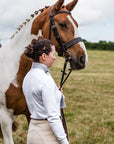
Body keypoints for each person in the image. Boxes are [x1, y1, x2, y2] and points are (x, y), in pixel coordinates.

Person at [22, 39, 69, 144]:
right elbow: (52, 116)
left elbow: (38, 99)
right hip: (46, 135)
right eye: (53, 54)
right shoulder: (45, 80)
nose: (55, 58)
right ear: (44, 56)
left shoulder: (28, 76)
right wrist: (64, 141)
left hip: (33, 131)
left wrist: (56, 94)